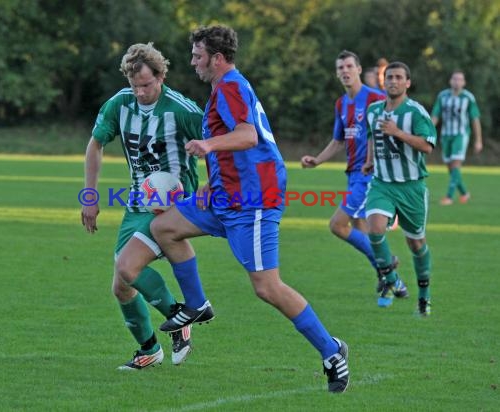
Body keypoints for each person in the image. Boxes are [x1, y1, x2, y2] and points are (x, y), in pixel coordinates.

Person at [147, 25, 349, 393]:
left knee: (267, 287)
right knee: (164, 228)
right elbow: (235, 148)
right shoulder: (221, 91)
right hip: (225, 196)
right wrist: (210, 184)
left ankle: (332, 351)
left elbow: (248, 136)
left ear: (217, 58)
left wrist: (207, 144)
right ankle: (196, 305)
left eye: (197, 56)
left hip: (253, 202)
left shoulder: (231, 86)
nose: (192, 62)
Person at [81, 43, 204, 370]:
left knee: (126, 266)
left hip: (174, 206)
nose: (141, 92)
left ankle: (179, 318)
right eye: (135, 86)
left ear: (161, 76)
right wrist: (90, 196)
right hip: (138, 202)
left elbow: (217, 148)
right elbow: (95, 144)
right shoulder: (120, 105)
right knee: (121, 286)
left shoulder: (183, 110)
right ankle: (149, 349)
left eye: (147, 85)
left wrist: (206, 179)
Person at [301, 50, 402, 295]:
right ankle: (392, 279)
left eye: (349, 66)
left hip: (370, 175)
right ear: (337, 73)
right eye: (340, 68)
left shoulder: (376, 99)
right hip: (353, 175)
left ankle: (386, 264)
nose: (345, 71)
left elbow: (392, 133)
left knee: (337, 225)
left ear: (358, 69)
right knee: (361, 229)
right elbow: (338, 141)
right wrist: (317, 160)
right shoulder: (341, 103)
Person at [362, 62, 436, 316]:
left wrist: (398, 133)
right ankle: (392, 280)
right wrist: (369, 160)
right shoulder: (373, 111)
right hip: (382, 184)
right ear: (383, 82)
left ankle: (424, 298)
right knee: (374, 228)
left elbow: (427, 146)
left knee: (416, 244)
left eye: (398, 77)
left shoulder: (415, 112)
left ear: (407, 83)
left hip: (412, 187)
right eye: (389, 77)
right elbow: (372, 135)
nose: (393, 81)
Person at [431, 70, 483, 205]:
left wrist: (478, 140)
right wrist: (429, 132)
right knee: (451, 167)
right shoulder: (442, 96)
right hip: (446, 135)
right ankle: (465, 193)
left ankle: (449, 197)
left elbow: (475, 119)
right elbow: (435, 115)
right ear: (450, 81)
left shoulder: (468, 97)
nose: (457, 82)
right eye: (455, 79)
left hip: (461, 135)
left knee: (455, 163)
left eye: (460, 79)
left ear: (464, 82)